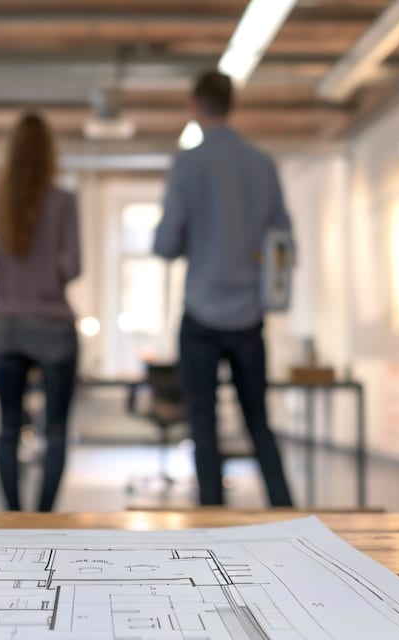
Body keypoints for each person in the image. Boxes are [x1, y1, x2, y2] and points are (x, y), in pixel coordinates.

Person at [152, 71, 296, 509]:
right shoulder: (262, 164)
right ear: (232, 103)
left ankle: (212, 516)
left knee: (203, 422)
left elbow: (165, 244)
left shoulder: (187, 164)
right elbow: (284, 244)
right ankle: (285, 510)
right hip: (248, 315)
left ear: (196, 106)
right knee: (258, 420)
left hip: (201, 313)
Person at [0, 112, 82, 512]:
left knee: (8, 429)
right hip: (53, 327)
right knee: (55, 429)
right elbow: (75, 267)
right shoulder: (64, 201)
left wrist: (4, 278)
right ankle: (45, 516)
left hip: (8, 326)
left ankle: (14, 516)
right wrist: (48, 277)